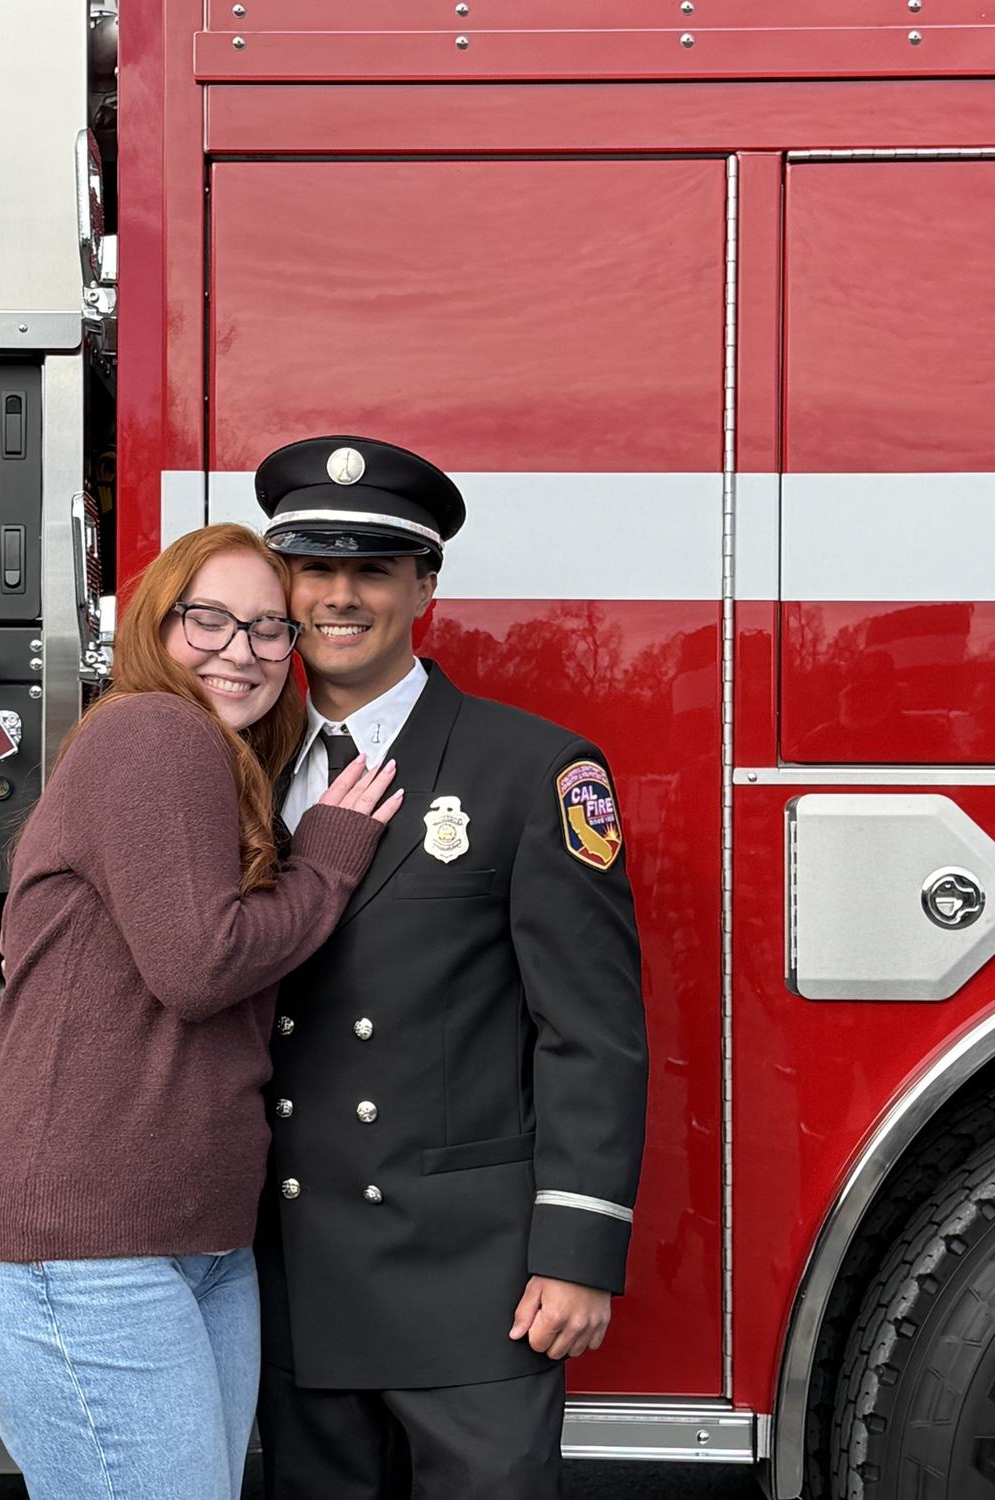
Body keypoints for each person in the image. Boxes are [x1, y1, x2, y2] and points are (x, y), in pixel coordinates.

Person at [0, 522, 403, 1500]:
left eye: (269, 629)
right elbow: (200, 966)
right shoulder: (153, 730)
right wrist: (326, 861)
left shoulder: (213, 765)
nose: (240, 650)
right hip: (81, 1256)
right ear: (159, 622)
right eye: (211, 619)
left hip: (187, 1245)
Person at [252, 438, 649, 1500]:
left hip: (474, 1284)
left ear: (425, 585)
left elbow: (591, 1033)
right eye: (315, 568)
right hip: (293, 1271)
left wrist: (578, 1251)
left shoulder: (534, 771)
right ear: (284, 584)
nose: (340, 596)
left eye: (374, 569)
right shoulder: (235, 767)